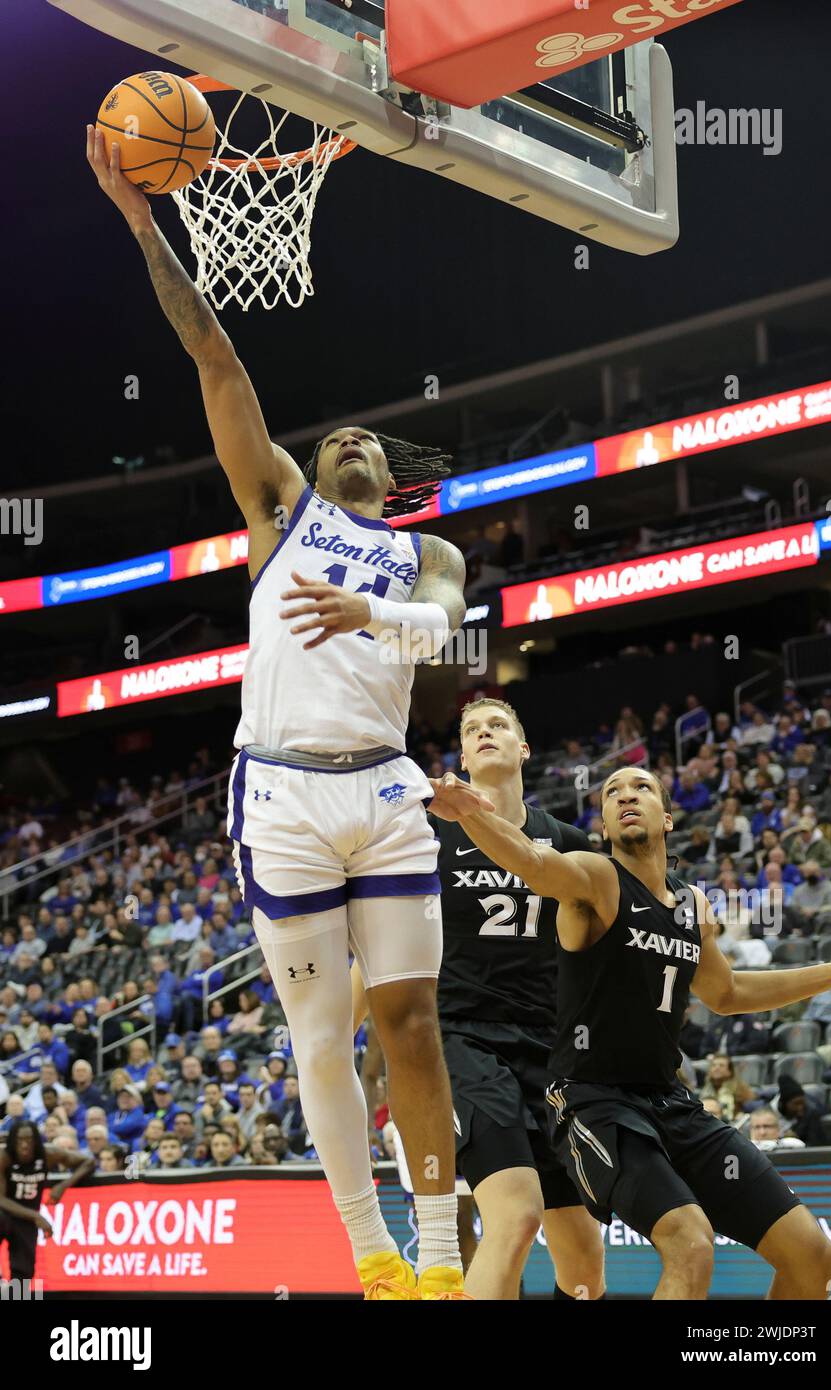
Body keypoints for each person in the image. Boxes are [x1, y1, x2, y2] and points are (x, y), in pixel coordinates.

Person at [87, 125, 478, 1299]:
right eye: (337, 434)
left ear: (393, 478)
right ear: (313, 466)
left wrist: (369, 622)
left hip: (385, 786)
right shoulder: (278, 509)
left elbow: (454, 627)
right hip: (285, 793)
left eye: (371, 438)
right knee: (320, 1039)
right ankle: (370, 1253)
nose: (352, 437)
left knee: (408, 1021)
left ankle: (443, 1261)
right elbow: (214, 357)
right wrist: (142, 222)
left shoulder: (426, 552)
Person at [428, 763, 831, 1299]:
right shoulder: (595, 877)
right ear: (605, 828)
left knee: (811, 1251)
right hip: (594, 1103)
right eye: (612, 792)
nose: (626, 796)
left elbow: (727, 995)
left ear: (668, 818)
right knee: (690, 1243)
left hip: (670, 1104)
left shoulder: (691, 906)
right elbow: (532, 861)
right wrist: (469, 814)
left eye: (642, 788)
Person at [358, 697, 604, 1301]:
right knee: (516, 1217)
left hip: (550, 1052)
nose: (485, 733)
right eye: (472, 730)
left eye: (498, 726)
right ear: (462, 756)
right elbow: (380, 947)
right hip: (463, 1042)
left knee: (584, 1252)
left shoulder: (569, 842)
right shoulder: (428, 834)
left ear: (523, 749)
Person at [0, 1120, 95, 1285]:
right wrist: (36, 1216)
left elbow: (88, 1162)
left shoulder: (48, 1154)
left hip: (26, 1219)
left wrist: (63, 1186)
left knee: (24, 1272)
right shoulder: (4, 1158)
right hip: (5, 1213)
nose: (24, 1145)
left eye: (29, 1139)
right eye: (20, 1140)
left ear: (36, 1140)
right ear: (12, 1141)